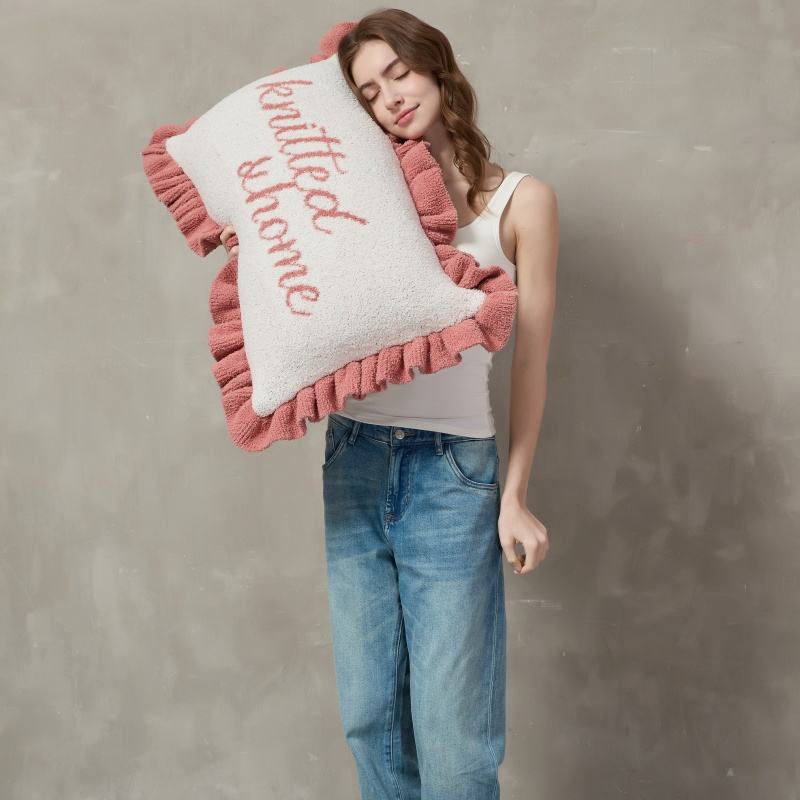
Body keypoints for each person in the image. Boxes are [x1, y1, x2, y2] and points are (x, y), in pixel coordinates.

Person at [221, 9, 559, 798]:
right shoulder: (358, 193)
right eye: (370, 93)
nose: (391, 98)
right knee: (371, 720)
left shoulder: (523, 201)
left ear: (437, 66)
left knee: (454, 738)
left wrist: (514, 497)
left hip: (452, 474)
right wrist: (259, 246)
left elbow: (533, 364)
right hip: (354, 458)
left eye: (399, 73)